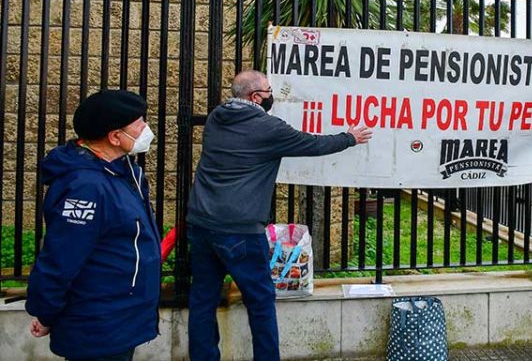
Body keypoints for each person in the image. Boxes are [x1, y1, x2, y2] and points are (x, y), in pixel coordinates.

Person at [186, 69, 373, 361]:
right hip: (240, 229)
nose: (272, 95)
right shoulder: (267, 127)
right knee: (260, 302)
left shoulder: (216, 118)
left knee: (202, 300)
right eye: (269, 90)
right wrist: (349, 137)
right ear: (256, 97)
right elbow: (313, 144)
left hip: (201, 223)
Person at [25, 90, 161, 361]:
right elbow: (61, 257)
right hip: (98, 322)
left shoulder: (124, 171)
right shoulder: (85, 186)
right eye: (139, 123)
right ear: (114, 136)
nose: (146, 128)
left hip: (122, 316)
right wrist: (46, 311)